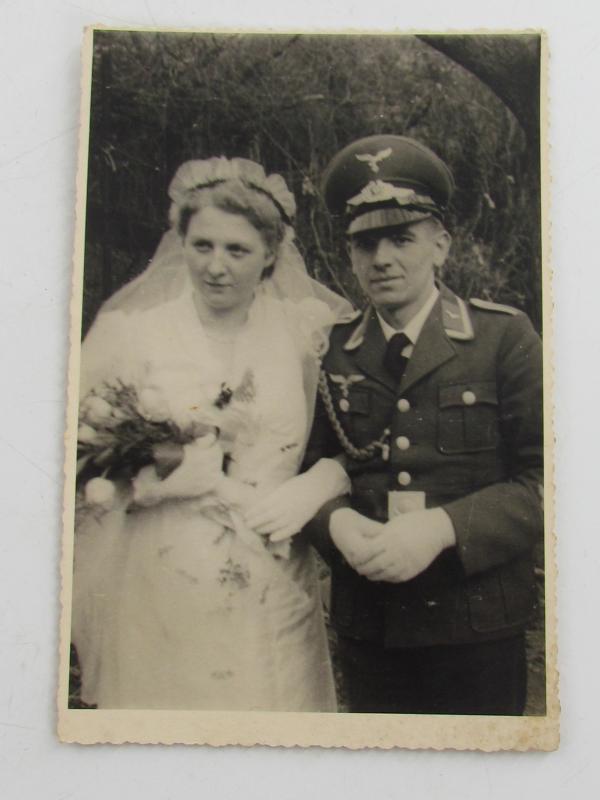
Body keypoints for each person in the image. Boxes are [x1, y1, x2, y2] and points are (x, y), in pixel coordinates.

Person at [71, 157, 352, 711]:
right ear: (180, 241)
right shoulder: (133, 335)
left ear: (271, 253)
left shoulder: (306, 331)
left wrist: (322, 479)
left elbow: (349, 433)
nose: (216, 266)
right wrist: (159, 478)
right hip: (163, 571)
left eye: (237, 250)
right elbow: (78, 454)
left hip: (274, 564)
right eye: (202, 246)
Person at [304, 135, 544, 715]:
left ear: (440, 245)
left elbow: (548, 481)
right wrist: (335, 527)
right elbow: (305, 469)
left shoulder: (502, 339)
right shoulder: (329, 349)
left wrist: (441, 528)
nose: (382, 258)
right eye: (365, 242)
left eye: (401, 238)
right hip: (371, 627)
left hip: (477, 626)